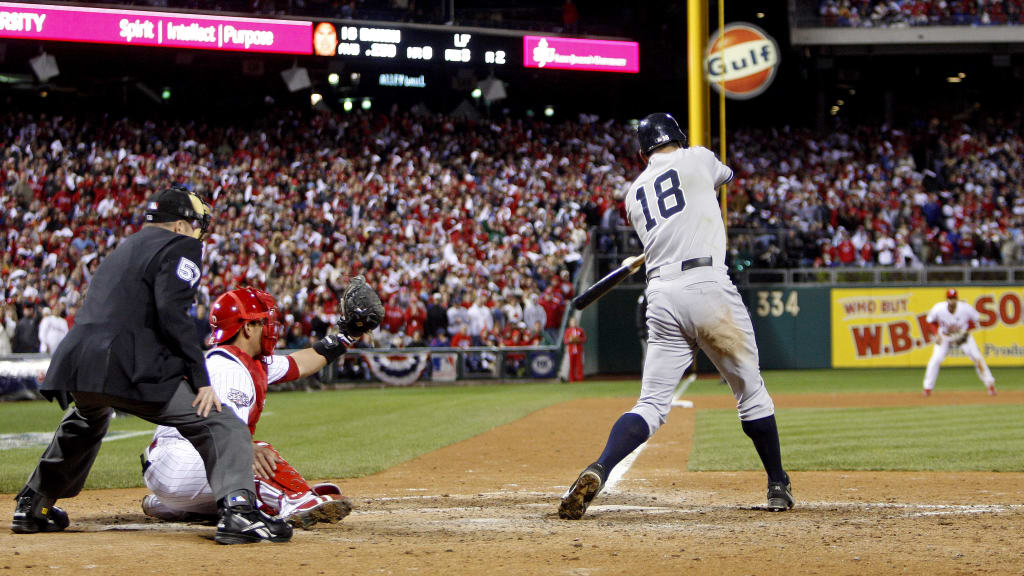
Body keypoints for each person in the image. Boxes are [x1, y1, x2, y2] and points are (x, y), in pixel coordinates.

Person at [11, 186, 293, 545]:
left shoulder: (122, 249)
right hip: (127, 365)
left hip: (78, 361)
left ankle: (33, 504)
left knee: (87, 418)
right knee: (223, 424)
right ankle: (239, 511)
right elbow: (172, 313)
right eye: (194, 225)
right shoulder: (182, 245)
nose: (198, 233)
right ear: (179, 225)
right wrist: (199, 377)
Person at [558, 113, 793, 520]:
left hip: (661, 294)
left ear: (642, 149)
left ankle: (600, 467)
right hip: (706, 284)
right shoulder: (698, 158)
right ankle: (777, 484)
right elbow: (726, 177)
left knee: (650, 403)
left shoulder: (633, 195)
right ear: (678, 137)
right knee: (750, 392)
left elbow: (667, 224)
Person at [141, 285, 373, 528]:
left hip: (177, 467)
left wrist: (346, 335)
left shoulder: (245, 360)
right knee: (250, 451)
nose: (270, 327)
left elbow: (301, 363)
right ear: (247, 328)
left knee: (242, 459)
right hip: (180, 461)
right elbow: (228, 439)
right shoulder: (227, 369)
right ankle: (294, 499)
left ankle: (172, 506)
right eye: (264, 321)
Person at [922, 289, 996, 397]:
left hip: (963, 336)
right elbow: (930, 321)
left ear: (957, 299)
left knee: (977, 357)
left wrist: (965, 331)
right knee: (935, 360)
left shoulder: (965, 308)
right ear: (947, 299)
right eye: (950, 298)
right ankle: (927, 388)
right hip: (945, 336)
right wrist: (935, 334)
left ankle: (990, 385)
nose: (952, 301)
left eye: (954, 298)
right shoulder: (938, 308)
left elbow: (976, 320)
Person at [563, 316, 586, 382]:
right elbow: (565, 340)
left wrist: (578, 340)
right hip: (571, 350)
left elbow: (584, 339)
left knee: (579, 365)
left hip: (579, 350)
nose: (574, 323)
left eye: (575, 322)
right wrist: (569, 340)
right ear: (570, 323)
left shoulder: (580, 330)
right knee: (571, 365)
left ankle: (580, 379)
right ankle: (572, 379)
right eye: (572, 322)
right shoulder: (568, 331)